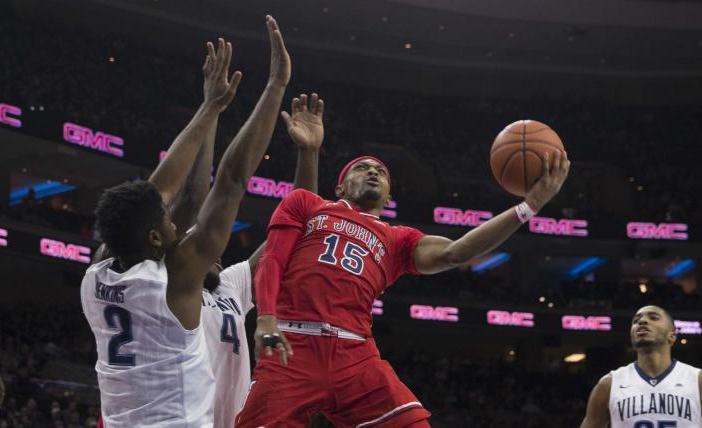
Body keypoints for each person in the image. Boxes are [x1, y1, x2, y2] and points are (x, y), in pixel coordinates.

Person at [236, 131, 570, 426]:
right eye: (362, 167)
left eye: (380, 171)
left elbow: (457, 251)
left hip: (355, 355)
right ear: (340, 186)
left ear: (388, 197)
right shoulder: (307, 204)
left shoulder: (398, 239)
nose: (372, 172)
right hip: (293, 345)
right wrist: (265, 318)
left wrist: (529, 206)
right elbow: (273, 260)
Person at [81, 16, 290, 427]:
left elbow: (179, 196)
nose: (181, 224)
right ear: (156, 237)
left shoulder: (97, 275)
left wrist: (210, 110)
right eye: (168, 220)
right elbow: (230, 182)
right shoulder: (176, 280)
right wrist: (275, 87)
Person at [167, 90, 323, 427]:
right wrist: (210, 112)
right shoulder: (163, 284)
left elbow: (290, 233)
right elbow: (198, 195)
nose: (216, 253)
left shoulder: (229, 285)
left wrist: (308, 154)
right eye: (203, 245)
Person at [581, 305, 702, 428]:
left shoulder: (697, 380)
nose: (642, 321)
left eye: (654, 318)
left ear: (672, 336)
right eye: (636, 321)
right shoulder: (609, 384)